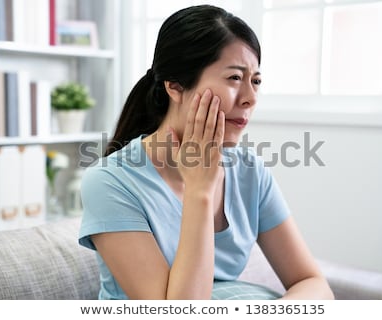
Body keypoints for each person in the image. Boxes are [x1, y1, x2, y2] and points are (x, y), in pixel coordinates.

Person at [78, 5, 334, 300]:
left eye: (256, 81)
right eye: (235, 78)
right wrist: (200, 190)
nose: (250, 99)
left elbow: (313, 283)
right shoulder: (109, 182)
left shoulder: (249, 170)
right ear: (175, 86)